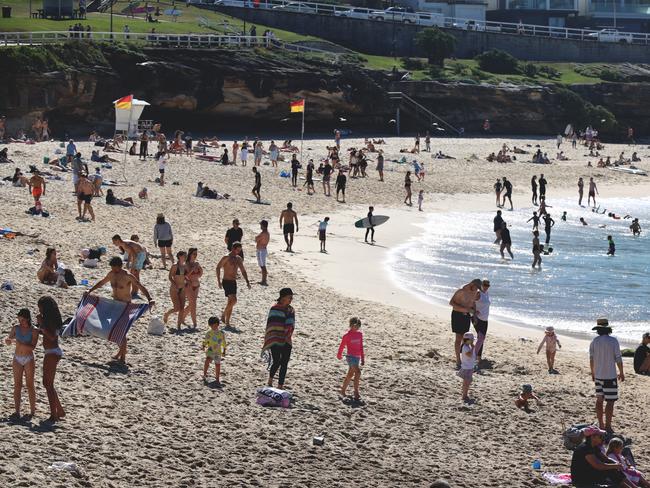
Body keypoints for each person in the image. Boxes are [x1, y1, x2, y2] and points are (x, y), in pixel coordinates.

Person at [85, 257, 154, 363]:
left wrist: (149, 298)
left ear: (119, 266)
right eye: (111, 267)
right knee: (114, 328)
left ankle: (123, 357)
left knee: (121, 330)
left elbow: (140, 286)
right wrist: (90, 291)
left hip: (125, 306)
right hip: (114, 304)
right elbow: (101, 282)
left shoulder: (127, 276)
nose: (112, 269)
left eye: (114, 267)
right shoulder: (111, 274)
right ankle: (121, 352)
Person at [589, 318, 624, 433]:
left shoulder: (594, 341)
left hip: (598, 375)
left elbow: (591, 359)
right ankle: (608, 425)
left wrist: (593, 372)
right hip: (610, 376)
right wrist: (621, 372)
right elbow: (618, 358)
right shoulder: (613, 341)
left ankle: (601, 424)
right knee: (610, 401)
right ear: (608, 328)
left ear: (598, 330)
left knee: (599, 400)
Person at [5, 308, 38, 418]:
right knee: (17, 385)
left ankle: (32, 411)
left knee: (30, 385)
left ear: (27, 319)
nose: (21, 322)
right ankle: (17, 411)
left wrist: (20, 344)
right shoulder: (16, 328)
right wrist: (8, 341)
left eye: (22, 320)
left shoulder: (34, 330)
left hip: (28, 358)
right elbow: (9, 340)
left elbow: (32, 347)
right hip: (17, 358)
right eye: (19, 320)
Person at [37, 296, 65, 422]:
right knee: (47, 383)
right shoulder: (50, 319)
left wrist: (41, 325)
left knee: (48, 384)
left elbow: (52, 337)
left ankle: (54, 415)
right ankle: (59, 410)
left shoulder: (50, 321)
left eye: (40, 308)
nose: (39, 310)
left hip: (52, 352)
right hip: (51, 352)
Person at [262, 288, 295, 389]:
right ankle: (270, 379)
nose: (291, 300)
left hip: (287, 339)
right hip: (275, 338)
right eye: (289, 297)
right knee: (277, 361)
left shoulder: (291, 310)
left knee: (284, 362)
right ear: (283, 297)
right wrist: (274, 336)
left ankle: (280, 385)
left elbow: (291, 325)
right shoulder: (274, 309)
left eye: (291, 298)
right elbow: (271, 325)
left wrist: (287, 335)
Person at [216, 243, 251, 329]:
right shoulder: (226, 257)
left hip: (233, 282)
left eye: (240, 250)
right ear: (233, 248)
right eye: (237, 250)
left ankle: (227, 322)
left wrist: (247, 281)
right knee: (234, 300)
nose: (238, 252)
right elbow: (218, 267)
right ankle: (223, 314)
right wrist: (219, 281)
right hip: (226, 281)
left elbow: (243, 270)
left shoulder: (238, 259)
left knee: (230, 302)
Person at [449, 279, 481, 368]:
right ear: (472, 284)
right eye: (476, 287)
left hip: (467, 315)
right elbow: (451, 303)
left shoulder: (475, 292)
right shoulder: (461, 291)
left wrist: (474, 315)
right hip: (457, 315)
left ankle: (465, 358)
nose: (477, 290)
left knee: (465, 337)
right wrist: (464, 309)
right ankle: (458, 360)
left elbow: (473, 303)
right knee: (458, 338)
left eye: (478, 288)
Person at [337, 317, 365, 401]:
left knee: (350, 374)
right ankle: (356, 392)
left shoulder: (360, 334)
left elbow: (361, 347)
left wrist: (363, 358)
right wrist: (339, 354)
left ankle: (342, 391)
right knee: (358, 372)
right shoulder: (347, 335)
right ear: (351, 325)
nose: (355, 327)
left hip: (357, 357)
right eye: (354, 326)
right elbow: (342, 346)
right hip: (350, 357)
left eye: (357, 326)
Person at [163, 251, 187, 331]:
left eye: (186, 256)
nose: (185, 257)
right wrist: (175, 284)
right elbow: (170, 277)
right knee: (177, 308)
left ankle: (179, 326)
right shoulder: (174, 266)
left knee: (182, 309)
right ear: (179, 256)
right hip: (174, 289)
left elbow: (185, 276)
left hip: (182, 288)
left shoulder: (185, 266)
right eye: (184, 256)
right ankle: (167, 314)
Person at [202, 317, 226, 385]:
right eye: (211, 325)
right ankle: (204, 374)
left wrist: (224, 350)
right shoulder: (208, 333)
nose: (213, 327)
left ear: (218, 325)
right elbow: (206, 340)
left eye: (214, 325)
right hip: (210, 350)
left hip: (217, 352)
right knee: (207, 361)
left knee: (217, 365)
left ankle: (217, 378)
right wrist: (204, 345)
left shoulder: (221, 333)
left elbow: (224, 342)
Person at [182, 248, 202, 328]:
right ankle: (195, 323)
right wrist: (193, 269)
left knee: (191, 304)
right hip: (189, 286)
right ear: (190, 254)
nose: (195, 255)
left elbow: (200, 275)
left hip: (196, 285)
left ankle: (182, 317)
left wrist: (199, 270)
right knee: (193, 304)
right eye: (194, 254)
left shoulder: (196, 263)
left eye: (196, 254)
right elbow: (185, 276)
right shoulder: (186, 264)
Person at [473, 280, 490, 366]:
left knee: (481, 339)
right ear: (481, 285)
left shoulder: (487, 293)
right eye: (484, 284)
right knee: (481, 338)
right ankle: (473, 356)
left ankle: (478, 357)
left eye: (488, 285)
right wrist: (474, 312)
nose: (486, 286)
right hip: (477, 319)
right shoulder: (478, 293)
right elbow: (471, 301)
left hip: (485, 320)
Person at [458, 332, 476, 404]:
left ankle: (465, 394)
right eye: (472, 340)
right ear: (468, 340)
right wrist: (473, 348)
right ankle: (464, 395)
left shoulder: (467, 346)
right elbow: (469, 355)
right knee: (466, 382)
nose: (473, 341)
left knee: (467, 382)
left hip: (469, 367)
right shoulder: (465, 347)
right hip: (467, 368)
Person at [255, 220, 270, 286]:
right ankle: (263, 280)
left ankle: (264, 280)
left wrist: (257, 238)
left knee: (263, 266)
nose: (260, 226)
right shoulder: (265, 233)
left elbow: (256, 239)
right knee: (261, 265)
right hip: (261, 249)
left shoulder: (264, 233)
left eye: (261, 225)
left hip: (262, 250)